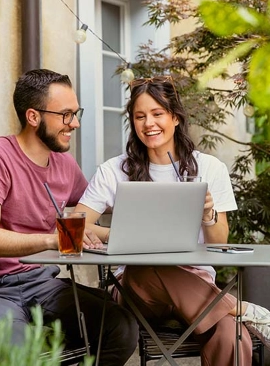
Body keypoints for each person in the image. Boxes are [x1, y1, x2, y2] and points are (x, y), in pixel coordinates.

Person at [75, 76, 270, 366]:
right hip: (136, 290)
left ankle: (227, 312)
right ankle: (236, 307)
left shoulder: (209, 168)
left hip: (196, 288)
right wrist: (117, 234)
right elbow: (76, 225)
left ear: (176, 117)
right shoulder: (114, 171)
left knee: (233, 336)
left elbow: (219, 245)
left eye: (157, 114)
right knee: (150, 265)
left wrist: (208, 214)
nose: (148, 124)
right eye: (140, 116)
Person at [0, 69, 138, 365]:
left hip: (42, 281)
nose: (74, 123)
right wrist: (53, 240)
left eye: (76, 113)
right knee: (22, 348)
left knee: (121, 328)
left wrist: (139, 219)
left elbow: (91, 213)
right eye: (65, 115)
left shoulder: (64, 164)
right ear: (33, 117)